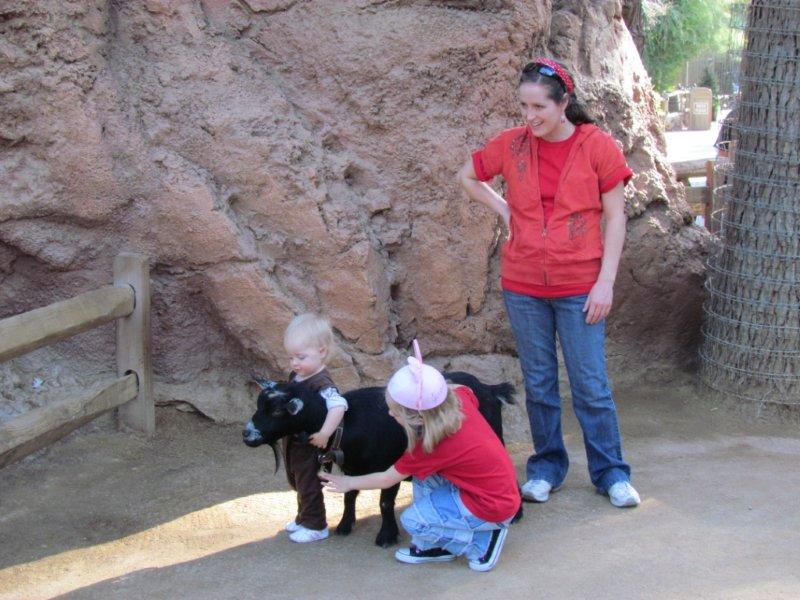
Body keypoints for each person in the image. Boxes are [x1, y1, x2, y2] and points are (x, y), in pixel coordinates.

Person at [456, 57, 640, 508]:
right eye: (524, 106)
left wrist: (605, 282)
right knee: (539, 383)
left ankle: (611, 473)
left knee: (590, 384)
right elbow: (467, 176)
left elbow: (616, 217)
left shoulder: (597, 146)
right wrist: (505, 210)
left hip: (581, 286)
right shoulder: (512, 144)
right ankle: (546, 468)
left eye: (539, 106)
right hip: (523, 286)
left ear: (563, 104)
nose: (530, 116)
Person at [320, 340, 520, 572]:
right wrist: (427, 386)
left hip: (494, 506)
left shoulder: (431, 447)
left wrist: (348, 482)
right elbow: (459, 388)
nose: (389, 414)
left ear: (416, 418)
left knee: (413, 521)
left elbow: (386, 478)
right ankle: (432, 547)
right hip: (497, 489)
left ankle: (483, 542)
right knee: (423, 477)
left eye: (395, 412)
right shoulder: (460, 399)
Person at [282, 313, 348, 542]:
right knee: (298, 479)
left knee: (309, 482)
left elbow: (339, 405)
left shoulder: (322, 383)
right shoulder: (297, 376)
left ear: (321, 351)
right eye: (291, 357)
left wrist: (324, 433)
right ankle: (303, 517)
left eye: (301, 357)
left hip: (312, 443)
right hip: (296, 441)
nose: (294, 363)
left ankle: (316, 524)